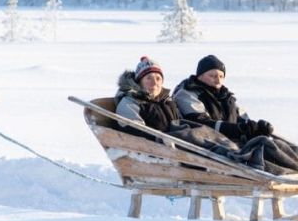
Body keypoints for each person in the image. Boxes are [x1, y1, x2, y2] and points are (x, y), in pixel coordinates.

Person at [115, 55, 298, 175]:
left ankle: (288, 166)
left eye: (158, 79)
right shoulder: (133, 102)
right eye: (149, 78)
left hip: (188, 142)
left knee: (268, 140)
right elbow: (133, 130)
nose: (154, 83)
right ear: (139, 80)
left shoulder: (167, 100)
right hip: (164, 149)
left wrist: (254, 127)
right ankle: (257, 164)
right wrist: (163, 141)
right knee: (254, 146)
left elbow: (241, 117)